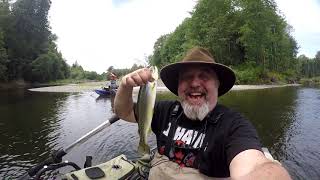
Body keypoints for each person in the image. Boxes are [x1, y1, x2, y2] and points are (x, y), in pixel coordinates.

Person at [114, 47, 291, 179]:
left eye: (204, 76)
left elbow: (255, 166)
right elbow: (124, 112)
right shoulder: (164, 110)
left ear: (217, 85)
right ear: (178, 86)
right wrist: (125, 85)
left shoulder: (233, 125)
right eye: (187, 77)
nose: (195, 83)